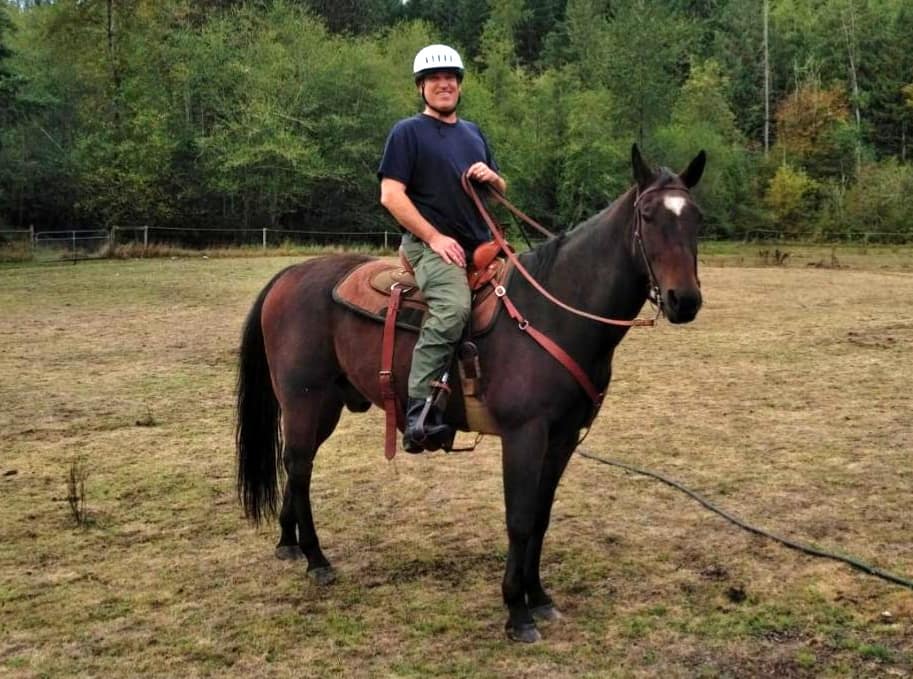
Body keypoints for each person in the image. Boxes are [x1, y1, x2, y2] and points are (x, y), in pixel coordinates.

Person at [378, 44, 507, 453]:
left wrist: (493, 178)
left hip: (482, 247)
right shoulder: (407, 132)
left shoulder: (473, 133)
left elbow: (497, 190)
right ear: (421, 88)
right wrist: (434, 237)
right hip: (429, 247)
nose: (444, 83)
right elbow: (391, 195)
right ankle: (420, 409)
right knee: (453, 308)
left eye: (451, 77)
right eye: (434, 78)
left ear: (460, 84)